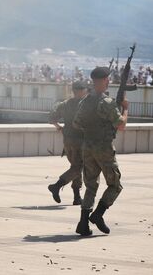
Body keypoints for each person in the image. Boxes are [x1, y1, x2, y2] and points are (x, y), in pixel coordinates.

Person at [73, 67, 127, 236]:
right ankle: (98, 214)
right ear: (103, 81)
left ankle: (83, 223)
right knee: (115, 185)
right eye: (107, 79)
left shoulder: (85, 101)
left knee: (90, 185)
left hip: (87, 147)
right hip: (103, 148)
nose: (109, 82)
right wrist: (125, 109)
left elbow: (76, 123)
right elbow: (121, 125)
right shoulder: (108, 103)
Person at [47, 80, 88, 205]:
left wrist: (58, 127)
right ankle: (57, 186)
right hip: (80, 141)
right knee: (78, 167)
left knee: (75, 166)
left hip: (67, 140)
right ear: (82, 91)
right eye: (85, 90)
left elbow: (51, 117)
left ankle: (76, 197)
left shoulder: (65, 104)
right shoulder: (85, 105)